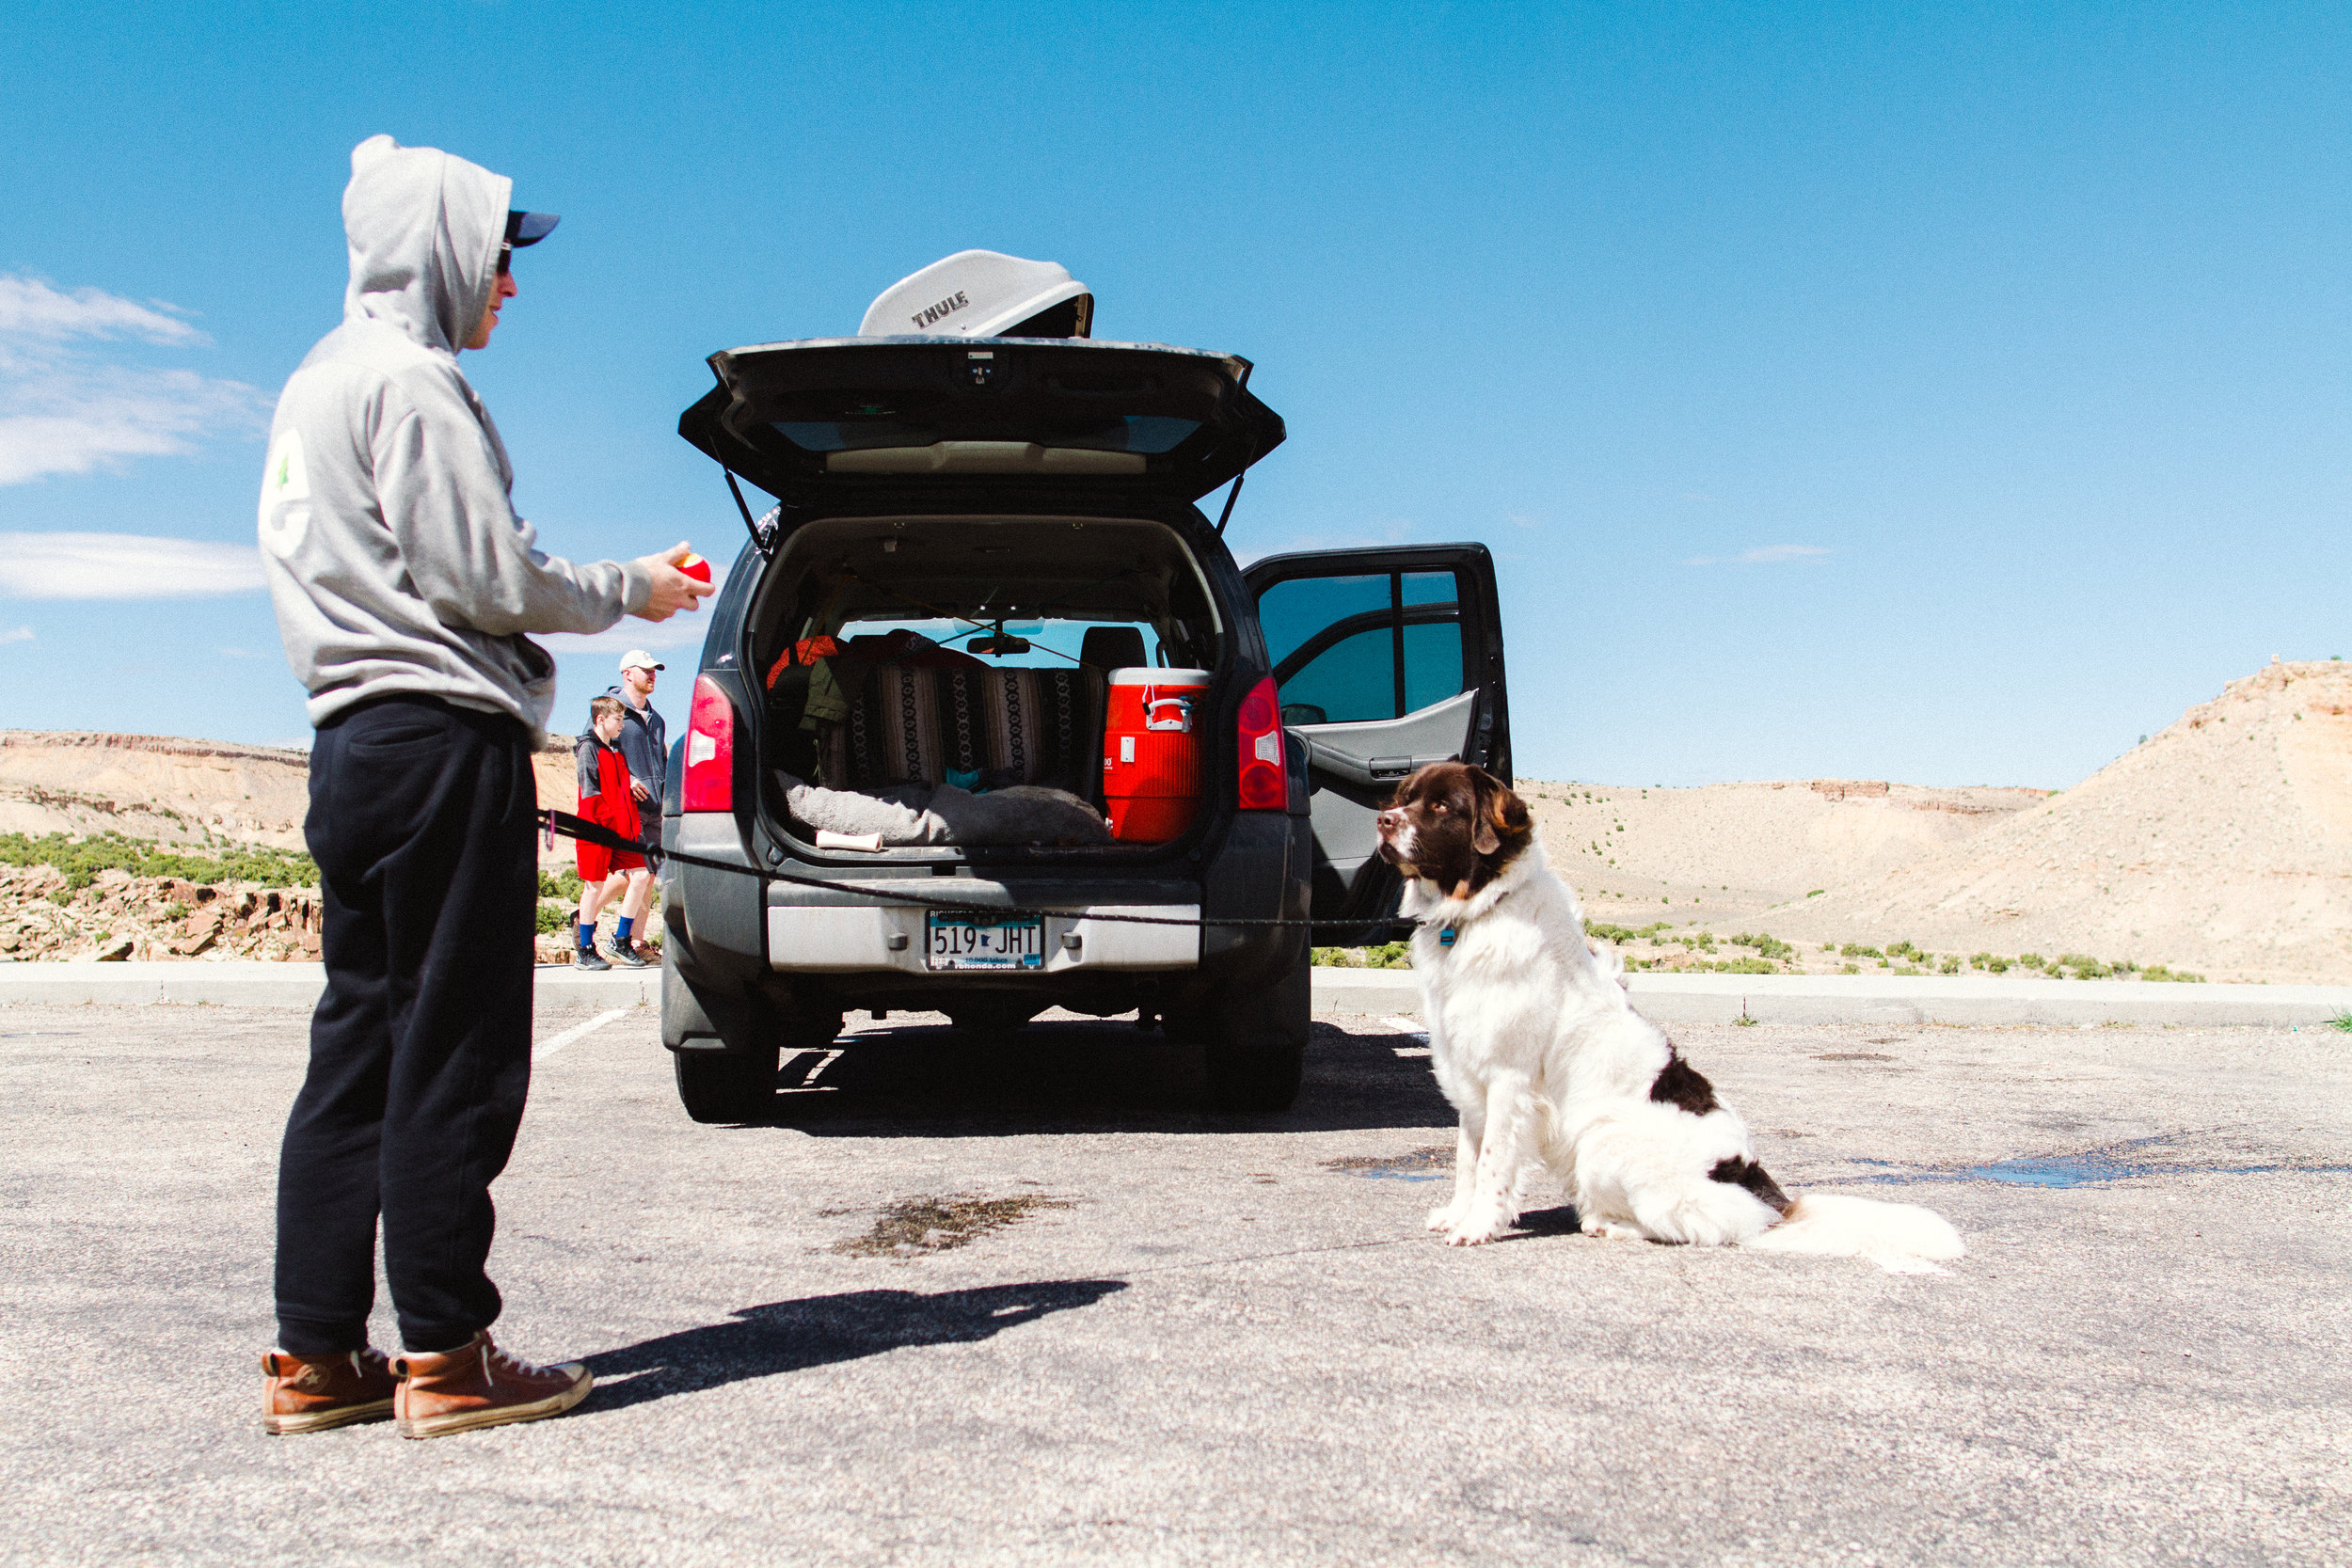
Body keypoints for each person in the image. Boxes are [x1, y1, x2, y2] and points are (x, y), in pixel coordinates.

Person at [253, 135, 713, 1439]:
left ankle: (315, 1354)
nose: (508, 285)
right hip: (442, 740)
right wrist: (630, 584)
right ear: (442, 246)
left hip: (349, 746)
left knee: (358, 1043)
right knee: (455, 1044)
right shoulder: (413, 385)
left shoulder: (313, 385)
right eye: (500, 259)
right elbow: (485, 579)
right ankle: (449, 1351)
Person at [572, 695, 650, 970]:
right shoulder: (588, 750)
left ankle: (620, 941)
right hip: (597, 832)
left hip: (622, 833)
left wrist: (632, 827)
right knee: (593, 887)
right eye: (618, 720)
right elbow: (590, 795)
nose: (622, 726)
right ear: (601, 719)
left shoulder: (616, 752)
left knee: (641, 875)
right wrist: (608, 827)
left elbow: (622, 795)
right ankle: (585, 950)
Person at [603, 651, 668, 956]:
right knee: (636, 873)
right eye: (646, 670)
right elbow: (592, 749)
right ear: (627, 673)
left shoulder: (657, 720)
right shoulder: (610, 711)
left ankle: (637, 943)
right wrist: (625, 779)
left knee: (647, 874)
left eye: (654, 670)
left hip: (656, 807)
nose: (652, 675)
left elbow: (661, 761)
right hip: (626, 806)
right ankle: (614, 936)